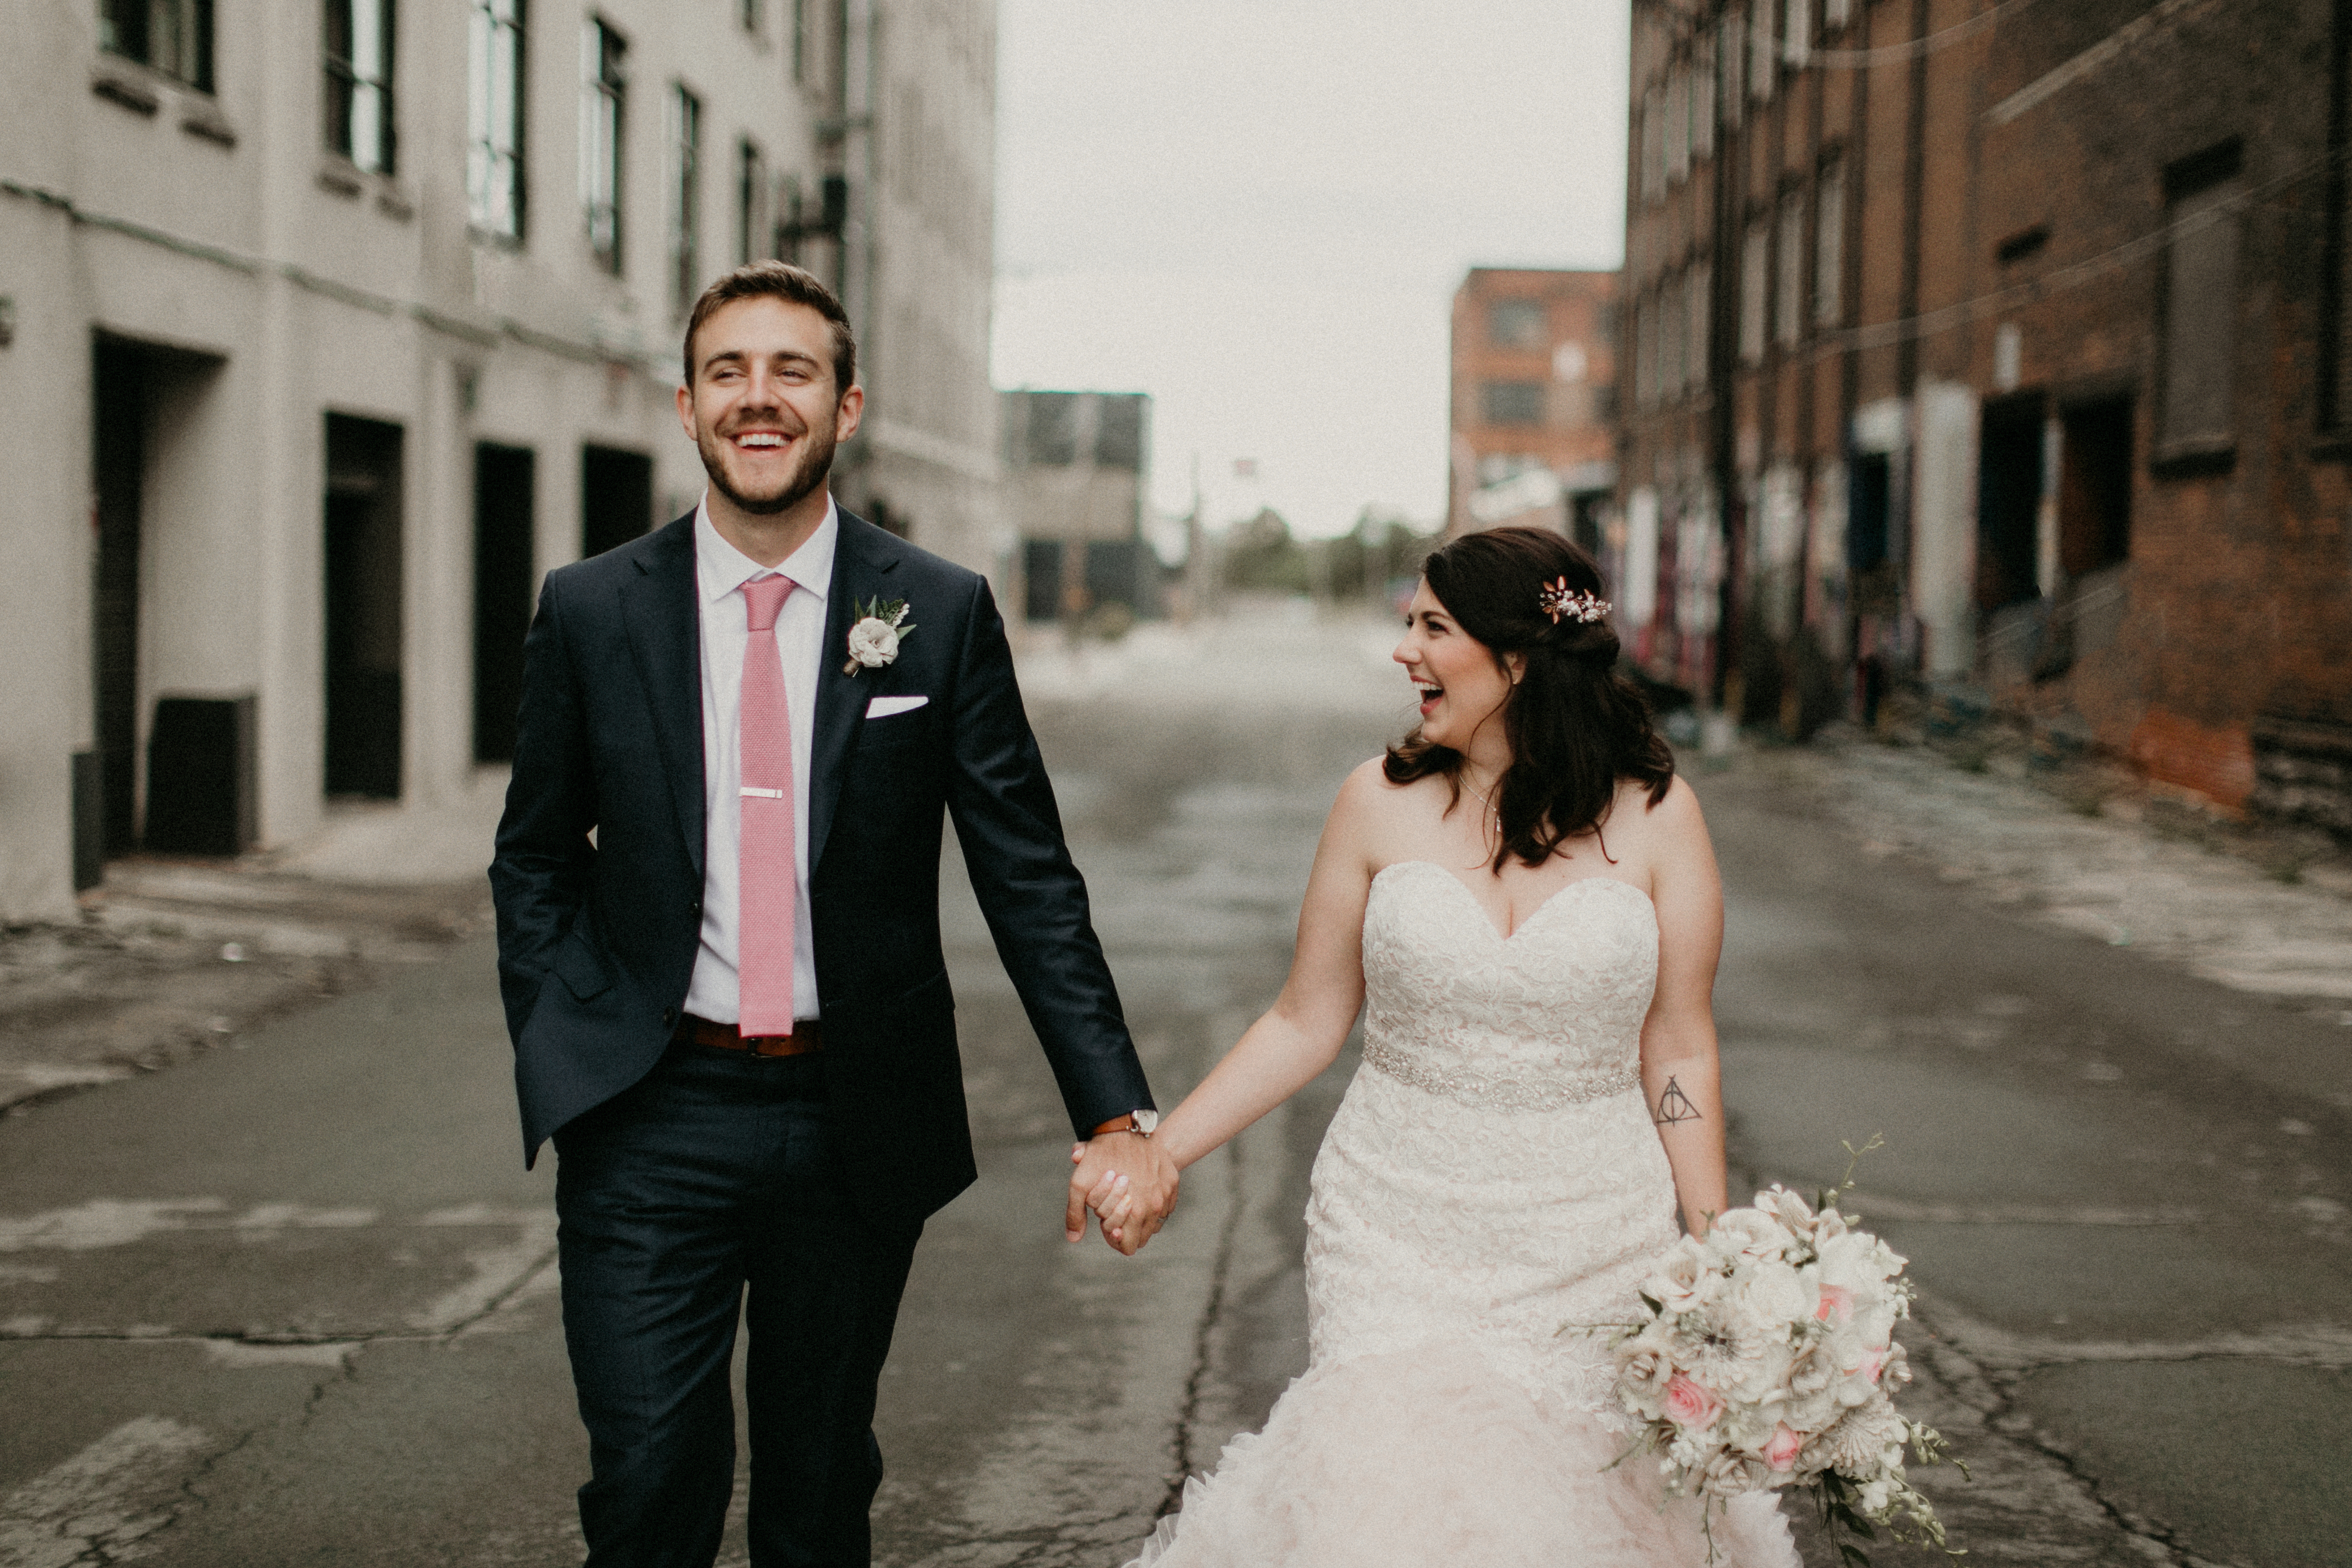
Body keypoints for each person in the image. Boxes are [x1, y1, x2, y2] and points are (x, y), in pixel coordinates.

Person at [489, 261, 1177, 1568]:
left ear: (846, 407)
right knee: (647, 1481)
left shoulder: (937, 610)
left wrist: (1112, 1108)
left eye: (792, 371)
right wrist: (562, 1028)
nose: (760, 398)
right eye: (730, 372)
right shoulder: (590, 610)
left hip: (852, 1116)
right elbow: (533, 853)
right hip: (649, 1111)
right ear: (685, 405)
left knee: (814, 1494)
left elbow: (1026, 873)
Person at [1099, 526, 1798, 1566]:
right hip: (1394, 1229)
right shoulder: (1375, 802)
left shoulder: (1659, 817)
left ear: (1516, 657)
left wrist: (1712, 1255)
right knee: (1387, 1513)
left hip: (1596, 1236)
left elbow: (1680, 1047)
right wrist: (1162, 1148)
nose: (1405, 651)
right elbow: (1304, 1020)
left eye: (1433, 627)